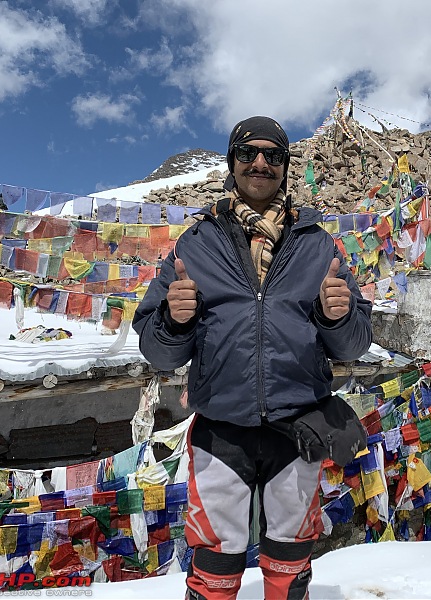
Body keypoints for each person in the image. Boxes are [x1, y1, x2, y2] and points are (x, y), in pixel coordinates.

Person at [133, 116, 373, 600]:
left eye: (273, 155)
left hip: (298, 426)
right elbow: (156, 348)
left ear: (285, 167)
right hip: (222, 427)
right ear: (232, 161)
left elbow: (352, 345)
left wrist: (336, 317)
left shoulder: (318, 244)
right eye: (248, 152)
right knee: (215, 563)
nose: (260, 163)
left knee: (290, 560)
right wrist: (175, 322)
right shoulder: (195, 243)